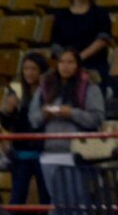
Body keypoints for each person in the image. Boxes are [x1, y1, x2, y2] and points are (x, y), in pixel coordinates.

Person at [27, 51, 104, 183]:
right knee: (56, 200)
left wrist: (72, 113)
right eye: (62, 62)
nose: (65, 66)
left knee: (77, 200)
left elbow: (97, 118)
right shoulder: (46, 86)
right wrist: (44, 114)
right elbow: (32, 118)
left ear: (77, 65)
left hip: (77, 154)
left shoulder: (89, 87)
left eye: (70, 62)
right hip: (48, 153)